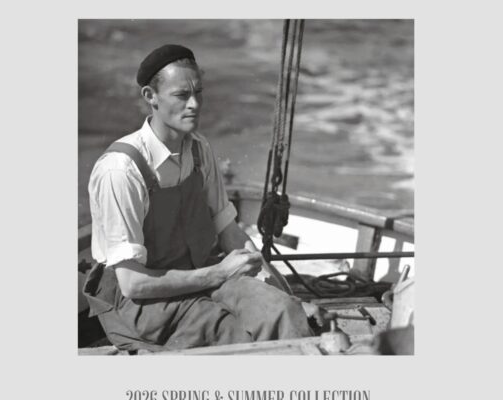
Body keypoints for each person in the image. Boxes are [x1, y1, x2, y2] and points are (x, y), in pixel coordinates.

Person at [83, 44, 323, 352]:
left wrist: (288, 297)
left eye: (198, 92)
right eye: (182, 95)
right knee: (237, 336)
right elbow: (132, 283)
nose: (194, 104)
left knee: (283, 312)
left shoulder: (198, 149)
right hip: (144, 303)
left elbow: (229, 232)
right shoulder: (121, 170)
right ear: (150, 96)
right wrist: (220, 273)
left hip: (202, 275)